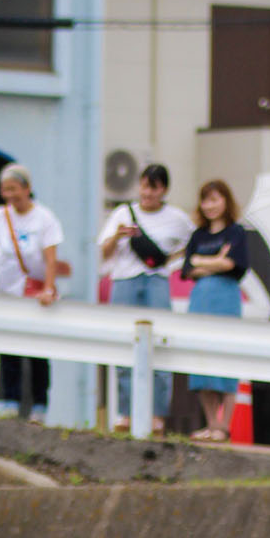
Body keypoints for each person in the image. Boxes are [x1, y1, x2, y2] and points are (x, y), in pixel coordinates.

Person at [98, 165, 193, 433]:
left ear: (163, 190)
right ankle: (126, 413)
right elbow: (104, 252)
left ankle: (157, 415)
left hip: (156, 281)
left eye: (154, 187)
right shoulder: (122, 213)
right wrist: (117, 235)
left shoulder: (176, 217)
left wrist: (169, 260)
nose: (148, 192)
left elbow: (192, 241)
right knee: (124, 344)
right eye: (144, 186)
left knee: (161, 344)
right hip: (125, 280)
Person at [0, 164, 69, 422]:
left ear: (27, 188)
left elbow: (50, 259)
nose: (10, 195)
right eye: (6, 190)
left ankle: (39, 406)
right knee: (9, 348)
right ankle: (10, 401)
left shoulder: (44, 218)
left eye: (14, 189)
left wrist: (48, 288)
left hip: (35, 294)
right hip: (7, 291)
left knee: (37, 352)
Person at [181, 180, 249, 443]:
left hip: (226, 298)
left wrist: (203, 261)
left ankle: (224, 425)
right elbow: (187, 268)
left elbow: (234, 264)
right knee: (200, 362)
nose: (210, 205)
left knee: (225, 359)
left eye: (215, 199)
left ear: (226, 201)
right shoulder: (198, 235)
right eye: (205, 200)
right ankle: (211, 423)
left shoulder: (236, 232)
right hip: (200, 298)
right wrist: (215, 261)